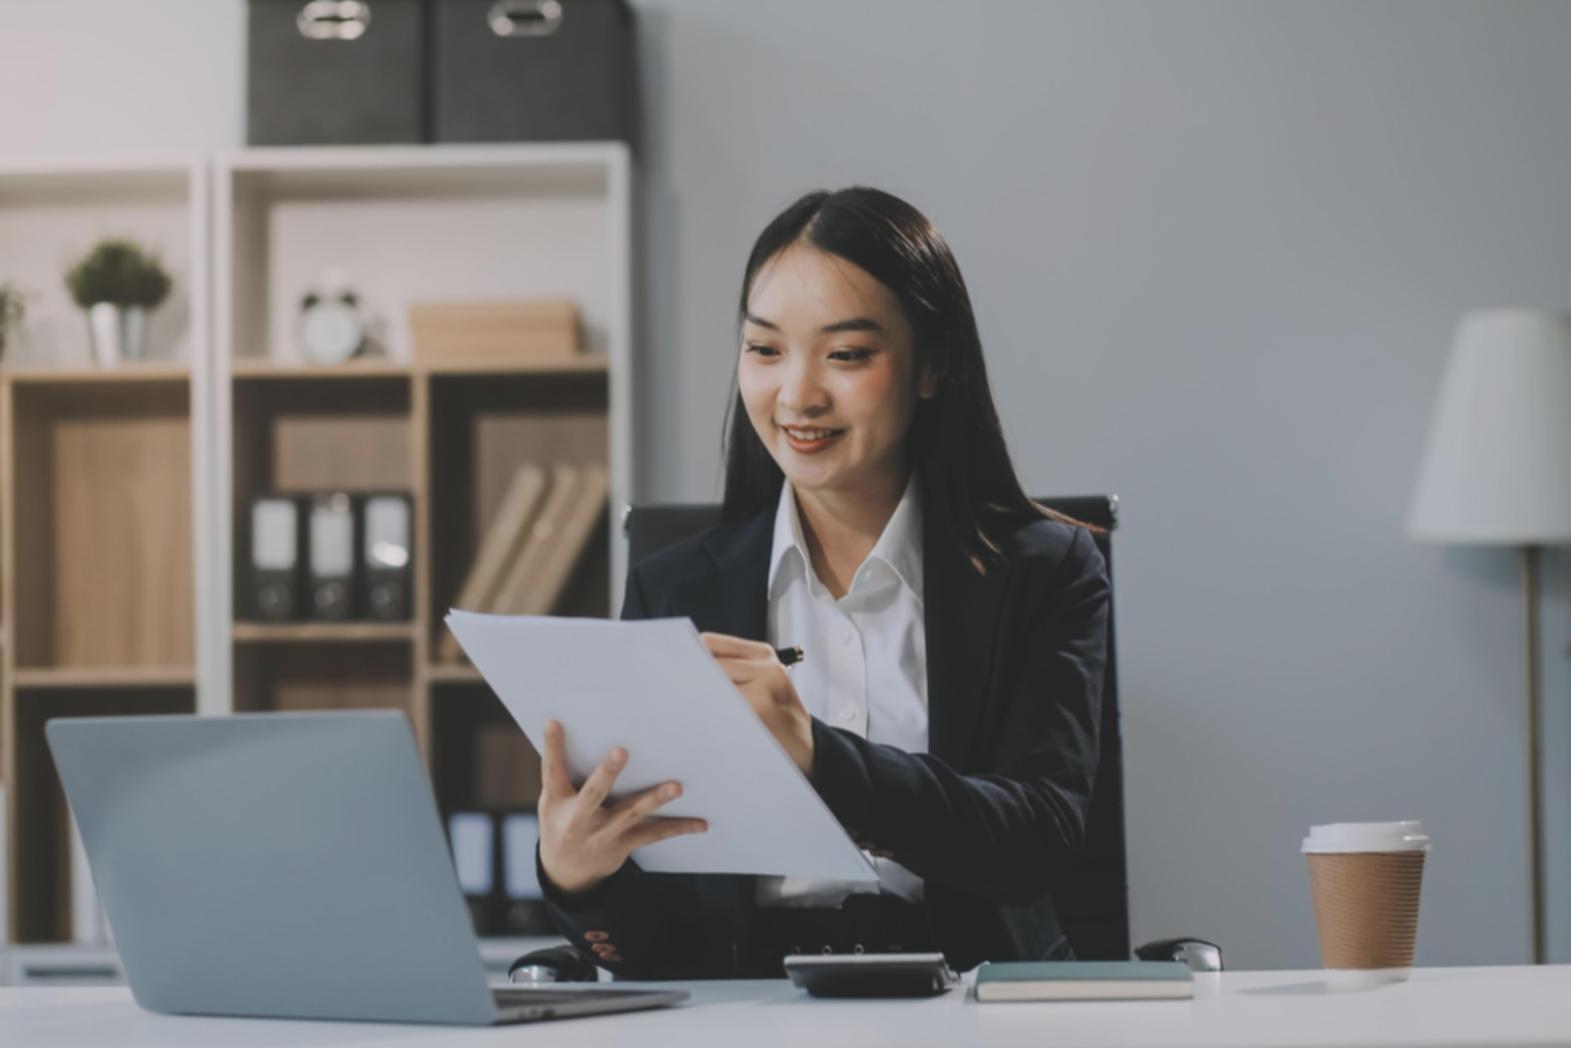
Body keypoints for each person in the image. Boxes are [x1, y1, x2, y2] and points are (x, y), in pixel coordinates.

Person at [536, 187, 1110, 978]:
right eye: (764, 350)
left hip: (971, 1002)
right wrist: (577, 875)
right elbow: (659, 943)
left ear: (931, 365)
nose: (797, 395)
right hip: (747, 1011)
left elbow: (1036, 841)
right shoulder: (672, 592)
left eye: (845, 354)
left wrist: (816, 758)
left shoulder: (1042, 572)